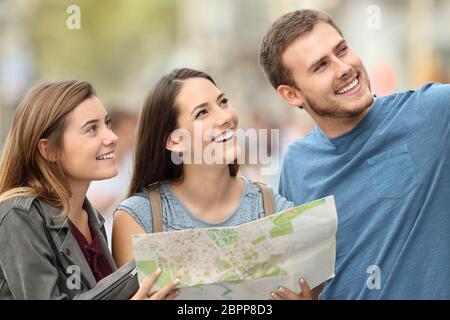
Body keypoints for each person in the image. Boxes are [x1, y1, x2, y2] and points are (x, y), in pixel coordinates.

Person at [258, 9, 450, 299]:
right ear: (292, 94)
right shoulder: (297, 165)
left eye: (342, 50)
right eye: (321, 65)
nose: (343, 67)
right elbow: (304, 277)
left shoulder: (432, 112)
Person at [111, 68, 317, 300]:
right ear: (174, 141)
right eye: (202, 113)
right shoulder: (138, 219)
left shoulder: (274, 211)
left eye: (223, 102)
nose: (225, 117)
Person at [0, 80, 178, 299]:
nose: (112, 138)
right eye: (92, 129)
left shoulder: (89, 217)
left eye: (108, 124)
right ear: (50, 150)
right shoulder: (18, 216)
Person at [87, 109, 137, 249]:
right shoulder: (94, 164)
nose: (134, 134)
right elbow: (91, 206)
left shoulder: (133, 162)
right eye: (129, 129)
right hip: (106, 239)